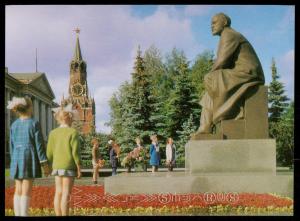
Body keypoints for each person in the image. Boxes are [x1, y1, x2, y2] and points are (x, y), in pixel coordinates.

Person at [197, 13, 265, 134]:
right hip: (240, 72)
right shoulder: (226, 35)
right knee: (210, 92)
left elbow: (222, 61)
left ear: (225, 23)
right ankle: (205, 126)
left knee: (211, 79)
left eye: (214, 22)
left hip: (249, 73)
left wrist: (211, 76)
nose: (211, 26)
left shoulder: (229, 34)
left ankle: (231, 111)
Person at [7, 96, 50, 216]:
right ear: (30, 108)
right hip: (29, 157)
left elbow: (11, 145)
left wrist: (13, 159)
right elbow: (39, 146)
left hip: (16, 157)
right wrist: (44, 164)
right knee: (26, 189)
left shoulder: (14, 125)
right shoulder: (34, 123)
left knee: (18, 189)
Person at [47, 103, 81, 216]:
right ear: (70, 118)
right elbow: (75, 153)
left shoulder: (52, 133)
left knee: (58, 192)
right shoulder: (73, 132)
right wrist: (79, 168)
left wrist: (48, 166)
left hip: (56, 166)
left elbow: (49, 152)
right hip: (69, 166)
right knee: (66, 193)